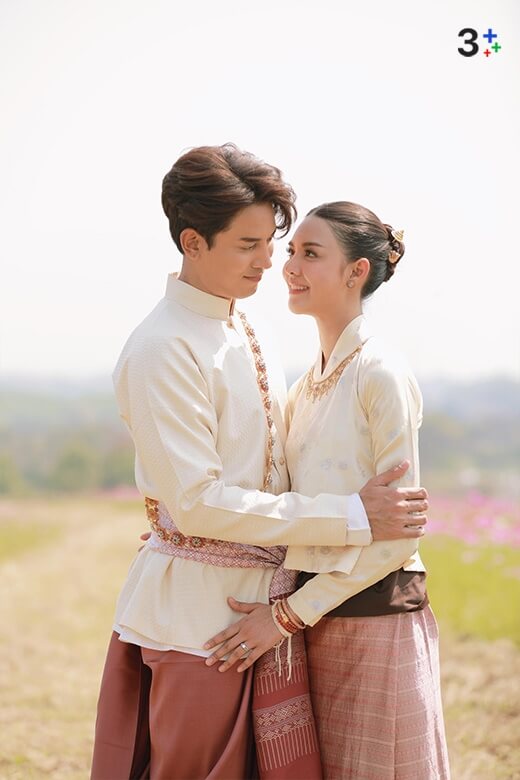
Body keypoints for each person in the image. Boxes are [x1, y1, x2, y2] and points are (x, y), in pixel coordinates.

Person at [90, 146, 429, 780]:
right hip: (198, 621)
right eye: (249, 245)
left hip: (271, 615)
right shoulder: (161, 349)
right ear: (193, 242)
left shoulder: (251, 329)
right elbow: (197, 502)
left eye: (271, 243)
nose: (269, 261)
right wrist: (353, 516)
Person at [204, 201, 450, 779]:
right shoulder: (305, 386)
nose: (289, 265)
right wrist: (185, 528)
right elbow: (281, 496)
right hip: (312, 621)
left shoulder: (379, 372)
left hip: (374, 620)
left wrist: (285, 618)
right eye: (292, 251)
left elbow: (397, 537)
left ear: (356, 271)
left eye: (310, 253)